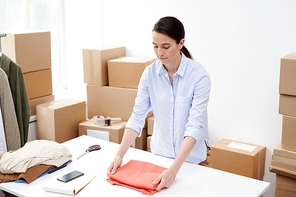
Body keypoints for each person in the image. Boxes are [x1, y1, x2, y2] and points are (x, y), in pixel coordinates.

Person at [107, 16, 211, 191]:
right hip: (160, 155)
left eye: (166, 47)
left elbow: (194, 126)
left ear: (181, 43)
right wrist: (119, 155)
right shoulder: (149, 74)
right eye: (155, 46)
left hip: (191, 160)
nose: (159, 53)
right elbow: (137, 117)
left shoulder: (199, 76)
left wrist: (172, 172)